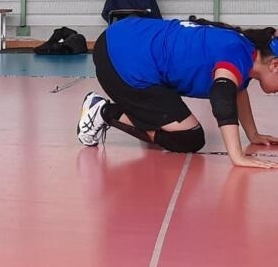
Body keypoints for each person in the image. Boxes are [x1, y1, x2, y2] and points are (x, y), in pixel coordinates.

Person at [77, 16, 278, 169]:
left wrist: (253, 134)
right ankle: (103, 111)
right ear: (275, 65)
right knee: (190, 138)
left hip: (124, 34)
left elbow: (236, 90)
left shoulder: (245, 48)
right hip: (121, 63)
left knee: (181, 126)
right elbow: (222, 97)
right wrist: (237, 156)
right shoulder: (237, 54)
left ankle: (134, 112)